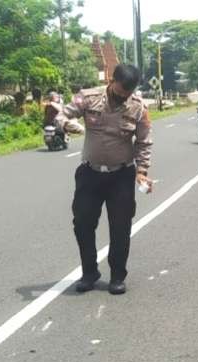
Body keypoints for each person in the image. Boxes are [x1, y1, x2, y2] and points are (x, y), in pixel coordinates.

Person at [55, 64, 153, 295]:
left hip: (121, 175)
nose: (122, 97)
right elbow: (62, 114)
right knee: (82, 224)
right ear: (111, 80)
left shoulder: (138, 108)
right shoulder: (88, 99)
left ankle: (118, 275)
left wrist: (143, 172)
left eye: (127, 94)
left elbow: (144, 141)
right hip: (90, 174)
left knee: (121, 227)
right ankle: (89, 273)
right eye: (120, 92)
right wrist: (67, 124)